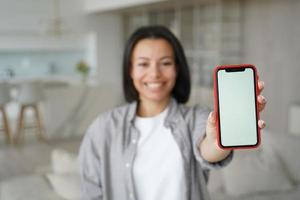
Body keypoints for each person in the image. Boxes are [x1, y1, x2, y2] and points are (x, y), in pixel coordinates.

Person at [79, 25, 267, 200]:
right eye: (143, 64)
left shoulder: (197, 117)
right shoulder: (103, 127)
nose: (154, 74)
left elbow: (208, 149)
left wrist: (219, 141)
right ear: (130, 70)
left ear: (177, 68)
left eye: (165, 63)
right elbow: (91, 191)